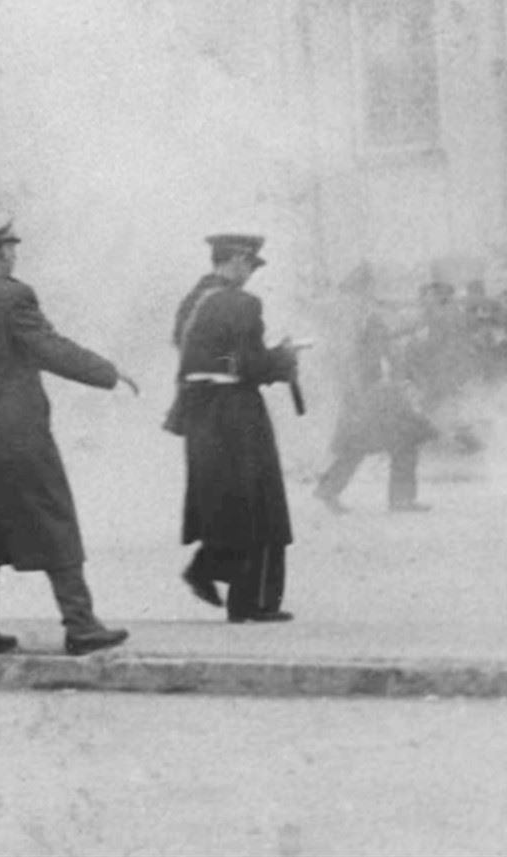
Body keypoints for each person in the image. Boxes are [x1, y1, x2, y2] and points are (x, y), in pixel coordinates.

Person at [0, 212, 136, 663]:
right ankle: (80, 625)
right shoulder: (13, 297)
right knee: (53, 519)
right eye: (12, 250)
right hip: (16, 434)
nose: (14, 257)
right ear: (4, 251)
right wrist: (109, 373)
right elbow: (51, 349)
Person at [169, 232, 301, 624]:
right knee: (261, 504)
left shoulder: (196, 299)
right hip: (236, 412)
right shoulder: (242, 303)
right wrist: (282, 359)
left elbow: (213, 353)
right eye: (249, 266)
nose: (250, 275)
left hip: (201, 411)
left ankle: (215, 573)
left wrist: (242, 359)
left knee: (228, 502)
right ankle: (252, 599)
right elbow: (249, 364)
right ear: (238, 261)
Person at [316, 267, 435, 513]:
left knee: (359, 445)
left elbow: (382, 342)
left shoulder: (354, 314)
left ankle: (329, 490)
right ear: (363, 289)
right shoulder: (362, 316)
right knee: (402, 440)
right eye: (368, 286)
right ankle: (401, 499)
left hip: (368, 390)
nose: (370, 292)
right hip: (371, 391)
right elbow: (361, 355)